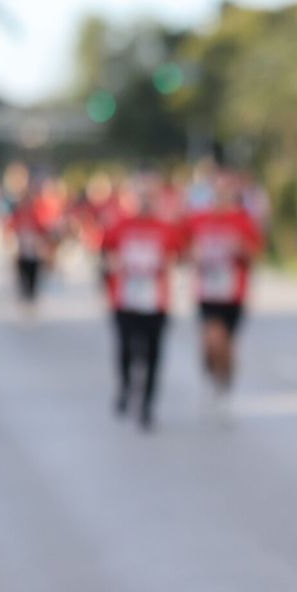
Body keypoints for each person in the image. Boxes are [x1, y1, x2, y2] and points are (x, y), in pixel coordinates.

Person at [101, 182, 185, 430]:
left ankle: (148, 405)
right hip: (125, 299)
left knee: (153, 354)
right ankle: (126, 388)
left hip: (155, 301)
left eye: (150, 197)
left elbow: (179, 258)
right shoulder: (119, 226)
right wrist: (116, 267)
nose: (145, 202)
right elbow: (105, 254)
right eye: (141, 197)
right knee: (126, 349)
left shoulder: (166, 229)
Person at [185, 169, 266, 396]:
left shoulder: (243, 220)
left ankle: (225, 379)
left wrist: (241, 249)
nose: (221, 195)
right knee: (213, 338)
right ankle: (211, 367)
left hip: (233, 291)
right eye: (217, 190)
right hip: (207, 290)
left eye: (226, 190)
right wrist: (194, 255)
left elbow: (256, 254)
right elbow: (182, 251)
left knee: (227, 344)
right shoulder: (198, 219)